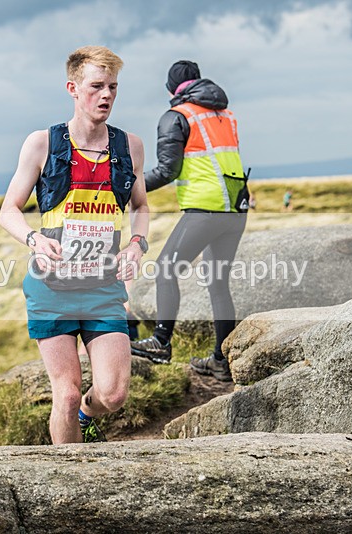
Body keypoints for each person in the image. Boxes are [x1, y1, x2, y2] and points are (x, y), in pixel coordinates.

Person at [0, 46, 149, 444]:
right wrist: (33, 239)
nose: (106, 95)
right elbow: (8, 210)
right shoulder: (42, 143)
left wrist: (137, 243)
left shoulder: (129, 146)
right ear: (73, 88)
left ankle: (88, 414)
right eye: (96, 86)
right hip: (52, 289)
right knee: (64, 395)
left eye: (113, 87)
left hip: (102, 289)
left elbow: (142, 206)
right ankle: (70, 484)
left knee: (113, 395)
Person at [130, 60, 247, 382]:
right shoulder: (225, 114)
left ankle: (161, 342)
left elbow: (168, 169)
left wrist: (127, 186)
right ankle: (222, 361)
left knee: (166, 270)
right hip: (236, 208)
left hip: (205, 210)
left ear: (171, 89)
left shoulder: (177, 117)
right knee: (217, 283)